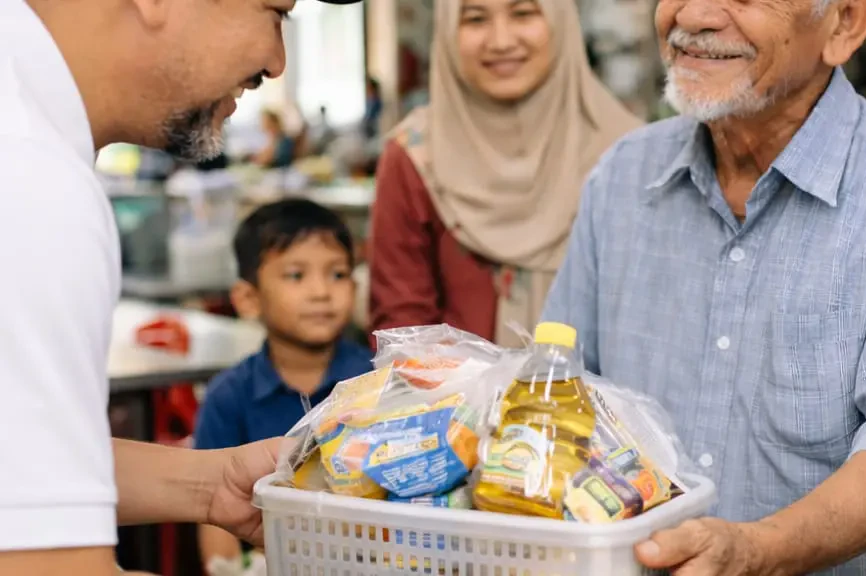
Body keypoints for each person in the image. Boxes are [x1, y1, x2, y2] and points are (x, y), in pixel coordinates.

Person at [542, 0, 866, 574]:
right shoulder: (623, 176)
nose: (696, 15)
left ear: (845, 23)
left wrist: (754, 553)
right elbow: (557, 399)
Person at [0, 0, 363, 574]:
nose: (276, 62)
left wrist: (212, 484)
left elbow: (16, 463)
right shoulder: (31, 183)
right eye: (275, 13)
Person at [369, 0, 640, 347]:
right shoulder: (416, 157)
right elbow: (401, 331)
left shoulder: (629, 155)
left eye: (523, 13)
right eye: (476, 18)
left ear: (561, 21)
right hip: (457, 400)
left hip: (607, 399)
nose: (500, 41)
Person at [193, 198, 372, 572]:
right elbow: (212, 513)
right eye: (296, 275)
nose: (321, 292)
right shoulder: (228, 396)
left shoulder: (375, 382)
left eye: (337, 274)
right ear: (248, 298)